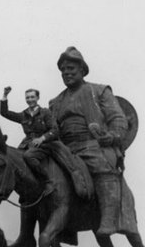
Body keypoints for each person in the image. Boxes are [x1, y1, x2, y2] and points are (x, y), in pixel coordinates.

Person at [50, 46, 128, 236]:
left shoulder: (99, 91)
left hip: (92, 144)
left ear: (82, 70)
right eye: (63, 70)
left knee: (101, 166)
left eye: (71, 69)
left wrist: (113, 135)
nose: (66, 73)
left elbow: (118, 118)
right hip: (65, 148)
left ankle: (109, 218)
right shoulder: (55, 102)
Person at [0, 86, 58, 197]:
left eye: (32, 97)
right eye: (27, 98)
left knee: (28, 156)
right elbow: (4, 113)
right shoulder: (23, 115)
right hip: (27, 144)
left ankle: (47, 181)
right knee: (13, 159)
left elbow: (54, 130)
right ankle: (24, 192)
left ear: (37, 98)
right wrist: (5, 95)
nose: (30, 100)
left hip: (44, 144)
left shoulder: (45, 112)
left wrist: (42, 138)